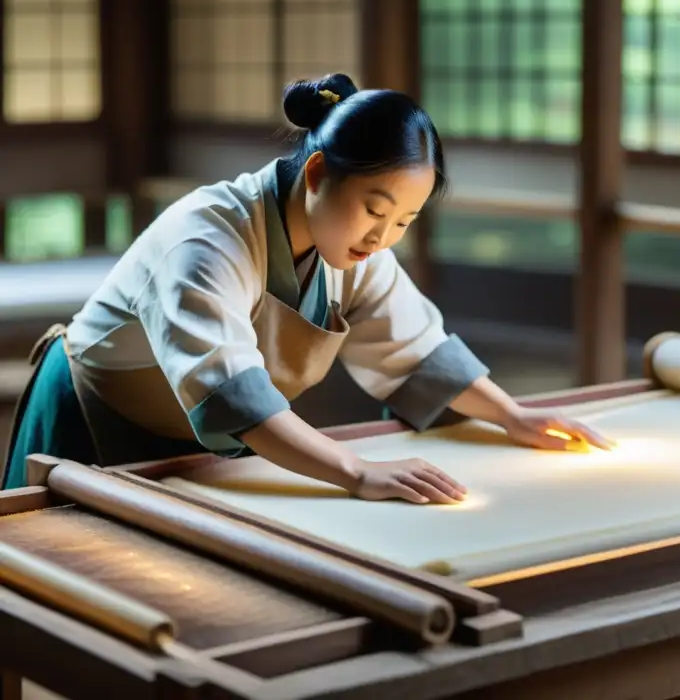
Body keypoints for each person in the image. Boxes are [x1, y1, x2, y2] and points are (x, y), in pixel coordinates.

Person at [1, 73, 613, 500]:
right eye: (375, 209)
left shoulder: (351, 246)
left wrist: (513, 416)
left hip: (203, 443)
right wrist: (356, 471)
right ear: (318, 172)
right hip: (92, 420)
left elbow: (417, 350)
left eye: (404, 221)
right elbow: (232, 393)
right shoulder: (207, 237)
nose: (384, 236)